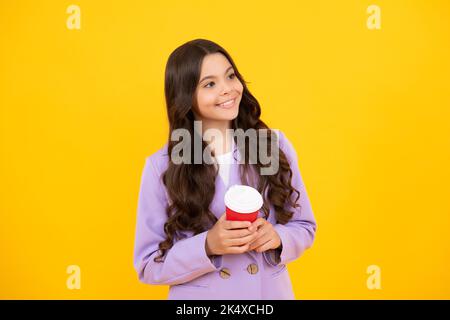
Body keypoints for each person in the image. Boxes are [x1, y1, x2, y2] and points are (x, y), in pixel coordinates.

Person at [133, 39, 317, 299]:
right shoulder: (161, 166)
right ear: (186, 96)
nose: (228, 89)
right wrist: (208, 245)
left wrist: (278, 237)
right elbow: (148, 264)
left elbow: (305, 226)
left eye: (230, 76)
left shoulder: (273, 146)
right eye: (210, 84)